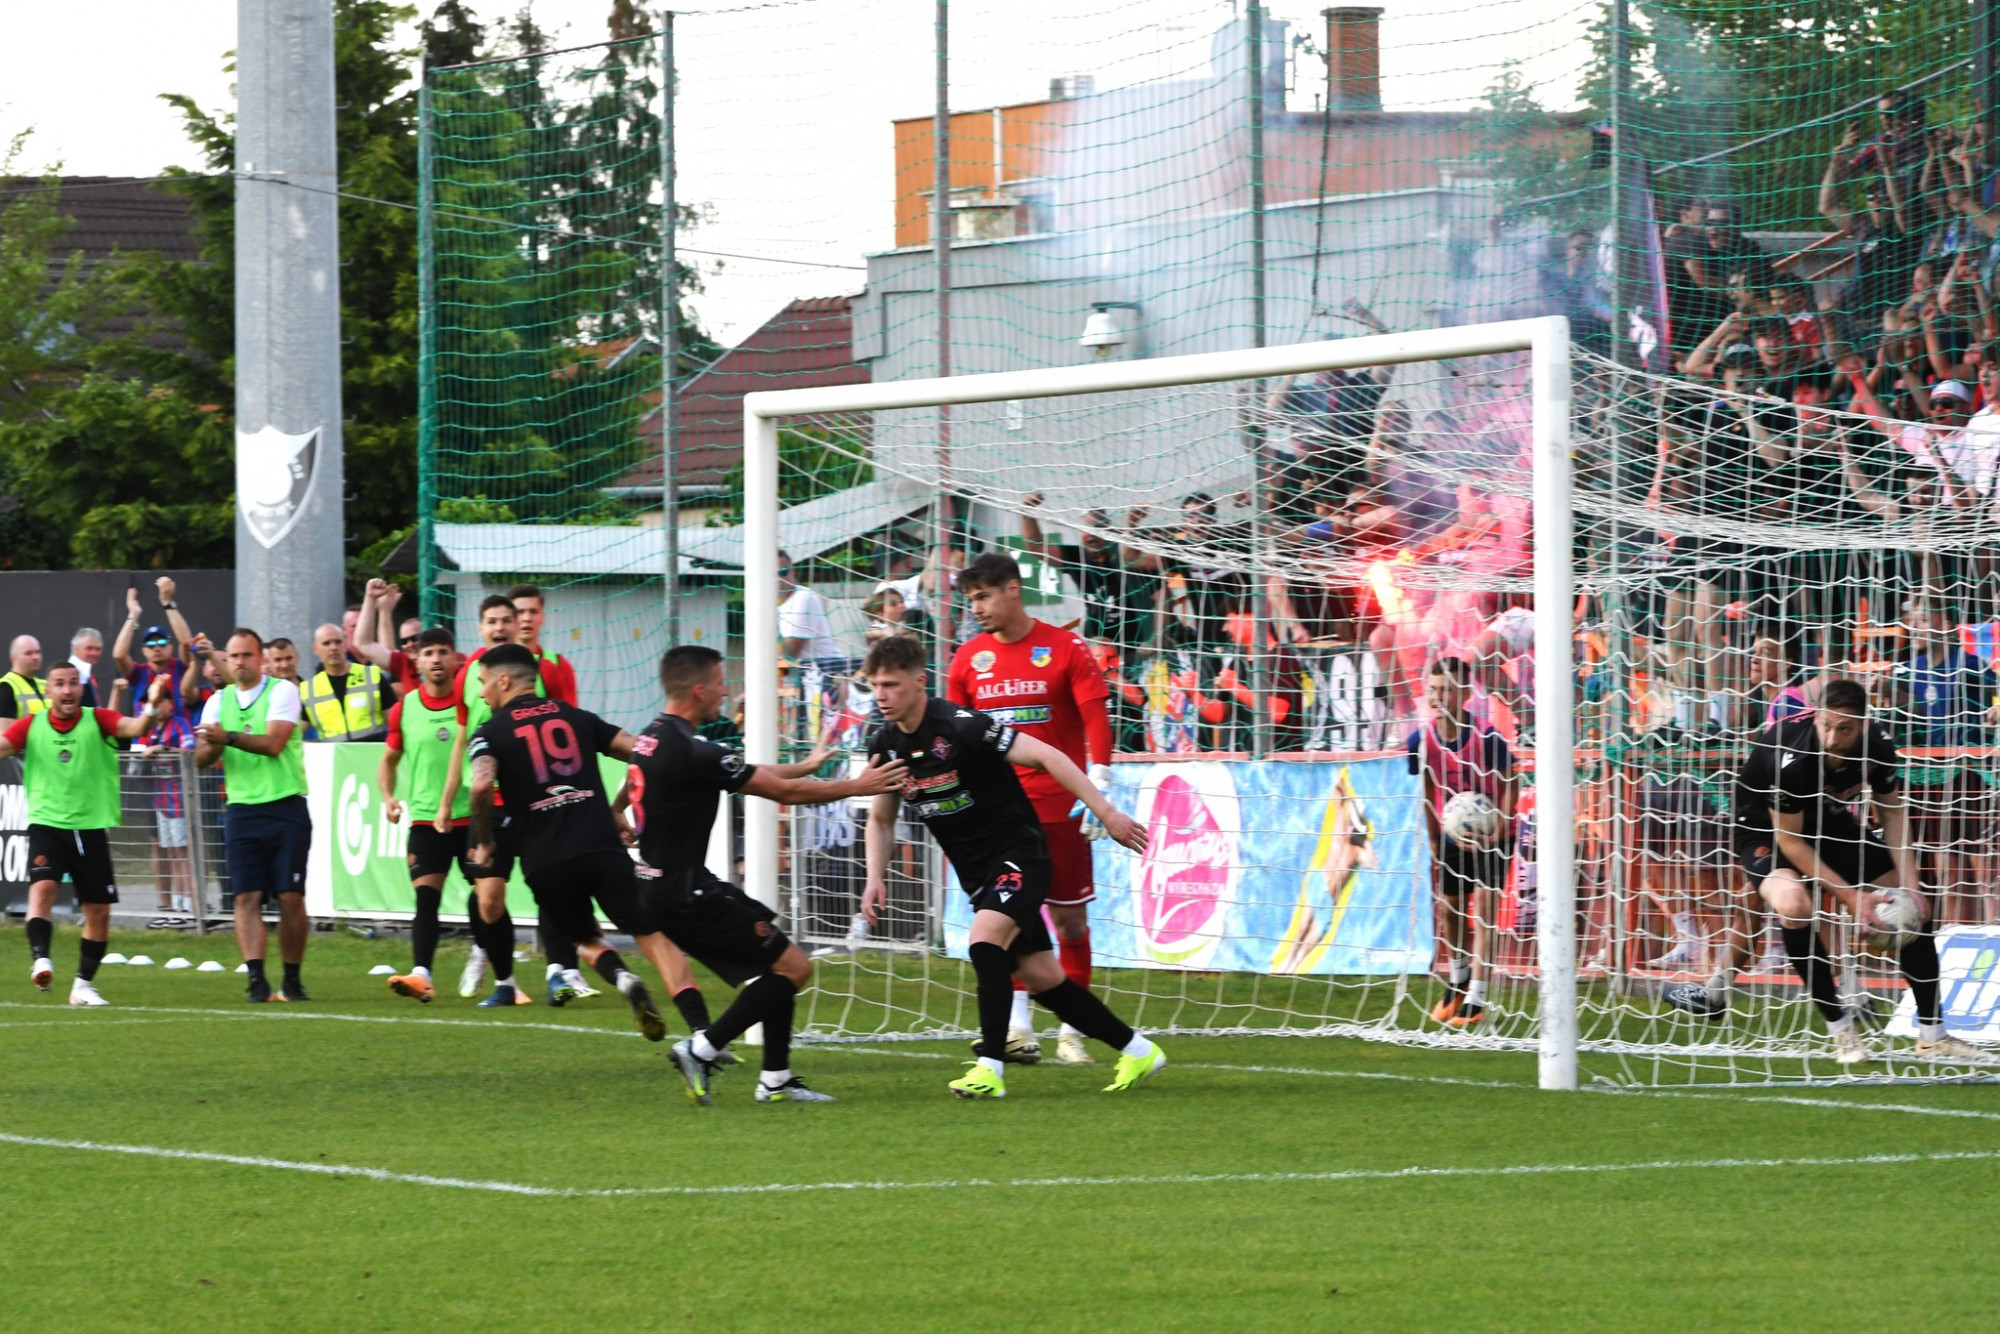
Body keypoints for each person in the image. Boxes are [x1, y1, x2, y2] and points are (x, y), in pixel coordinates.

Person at [859, 634, 1166, 1100]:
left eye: (891, 684)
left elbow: (1047, 755)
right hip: (977, 872)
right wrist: (874, 876)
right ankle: (1138, 1049)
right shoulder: (883, 743)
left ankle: (989, 1068)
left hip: (1019, 852)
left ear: (919, 682)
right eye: (875, 685)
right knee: (1044, 978)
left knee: (984, 943)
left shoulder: (960, 725)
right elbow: (881, 818)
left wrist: (1106, 812)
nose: (881, 695)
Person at [627, 645, 906, 1104]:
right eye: (719, 683)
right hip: (685, 892)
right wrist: (859, 785)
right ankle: (701, 1048)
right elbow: (781, 793)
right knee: (795, 966)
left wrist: (808, 766)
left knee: (775, 962)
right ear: (699, 690)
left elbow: (751, 774)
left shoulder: (652, 738)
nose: (725, 691)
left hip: (663, 886)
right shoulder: (694, 748)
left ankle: (775, 1079)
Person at [1721, 678, 1985, 1063]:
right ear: (1817, 716)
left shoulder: (1876, 746)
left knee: (1914, 893)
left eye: (1843, 728)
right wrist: (1851, 897)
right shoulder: (1791, 758)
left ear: (1862, 723)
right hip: (1767, 830)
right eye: (1825, 725)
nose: (1831, 737)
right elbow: (1791, 842)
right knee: (1794, 905)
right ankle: (1841, 1031)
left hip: (1827, 822)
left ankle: (1933, 1035)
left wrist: (1910, 888)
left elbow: (1893, 813)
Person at [947, 551, 1116, 1065]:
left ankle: (1072, 1029)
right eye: (970, 599)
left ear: (1013, 590)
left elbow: (1095, 719)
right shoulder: (967, 660)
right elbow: (956, 740)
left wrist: (1100, 787)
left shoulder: (1064, 646)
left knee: (1068, 924)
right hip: (1000, 815)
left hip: (1059, 808)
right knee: (1007, 921)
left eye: (983, 596)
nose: (976, 608)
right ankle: (1018, 1030)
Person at [464, 644, 669, 1031]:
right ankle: (698, 1021)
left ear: (503, 680)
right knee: (646, 929)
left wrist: (487, 839)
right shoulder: (576, 716)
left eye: (482, 682)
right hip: (601, 847)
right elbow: (642, 752)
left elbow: (480, 786)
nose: (480, 692)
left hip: (546, 859)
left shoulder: (489, 732)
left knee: (584, 937)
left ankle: (624, 979)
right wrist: (620, 804)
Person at [0, 665, 171, 1004]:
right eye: (59, 684)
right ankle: (41, 960)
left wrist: (151, 705)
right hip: (48, 823)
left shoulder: (100, 719)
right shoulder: (31, 725)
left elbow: (136, 727)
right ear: (48, 691)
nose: (66, 690)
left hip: (90, 827)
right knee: (44, 887)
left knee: (99, 912)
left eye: (72, 684)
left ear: (81, 689)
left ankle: (82, 986)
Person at [439, 594, 579, 1000]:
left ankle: (560, 972)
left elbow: (565, 730)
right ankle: (500, 972)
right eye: (491, 621)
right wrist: (449, 800)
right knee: (488, 899)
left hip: (534, 798)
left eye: (507, 619)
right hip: (488, 802)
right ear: (480, 627)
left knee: (552, 885)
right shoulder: (468, 674)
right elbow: (461, 739)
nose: (499, 627)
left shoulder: (545, 669)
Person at [380, 628, 524, 1007]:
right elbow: (388, 761)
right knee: (426, 898)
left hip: (472, 814)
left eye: (443, 651)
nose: (436, 659)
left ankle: (494, 966)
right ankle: (421, 975)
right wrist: (388, 796)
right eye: (428, 652)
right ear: (418, 661)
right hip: (427, 818)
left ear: (456, 658)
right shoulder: (406, 707)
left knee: (486, 898)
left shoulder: (472, 698)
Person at [192, 629, 313, 1003]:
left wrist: (225, 738)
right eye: (234, 656)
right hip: (242, 810)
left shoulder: (282, 691)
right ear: (225, 661)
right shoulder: (217, 701)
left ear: (261, 659)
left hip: (285, 805)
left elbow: (274, 744)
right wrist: (211, 746)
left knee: (290, 896)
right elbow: (199, 759)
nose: (240, 662)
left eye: (247, 655)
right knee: (246, 897)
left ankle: (292, 978)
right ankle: (256, 979)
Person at [1409, 656, 1516, 1030]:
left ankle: (1479, 998)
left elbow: (1511, 779)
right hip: (1454, 830)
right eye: (1435, 690)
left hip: (1492, 832)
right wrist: (1434, 837)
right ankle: (1458, 977)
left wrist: (1499, 828)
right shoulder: (1420, 740)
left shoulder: (1486, 737)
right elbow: (1425, 786)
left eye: (1449, 690)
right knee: (1451, 907)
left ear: (1466, 694)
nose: (1440, 697)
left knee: (1485, 907)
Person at [301, 621, 398, 742]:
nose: (333, 647)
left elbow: (396, 724)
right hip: (335, 759)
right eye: (326, 643)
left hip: (372, 756)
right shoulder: (307, 689)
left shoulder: (373, 676)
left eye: (338, 642)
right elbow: (296, 735)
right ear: (316, 649)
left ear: (346, 645)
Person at [111, 578, 194, 693]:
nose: (157, 648)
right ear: (144, 651)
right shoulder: (139, 673)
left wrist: (167, 603)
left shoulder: (179, 668)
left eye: (162, 643)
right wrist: (133, 614)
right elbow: (118, 655)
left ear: (171, 647)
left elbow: (186, 643)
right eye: (150, 644)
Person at [508, 583, 578, 705]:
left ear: (542, 616)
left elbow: (571, 716)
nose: (527, 618)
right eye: (520, 612)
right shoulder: (490, 666)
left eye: (533, 611)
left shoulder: (560, 665)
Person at [352, 578, 423, 697]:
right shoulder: (405, 665)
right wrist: (370, 597)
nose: (410, 644)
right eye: (404, 641)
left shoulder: (450, 662)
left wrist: (385, 611)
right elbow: (363, 643)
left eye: (415, 638)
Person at [0, 635, 48, 719]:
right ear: (13, 659)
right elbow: (4, 730)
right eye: (28, 653)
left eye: (38, 652)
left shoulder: (46, 685)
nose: (35, 657)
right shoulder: (6, 687)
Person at [66, 628, 104, 708]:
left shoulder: (87, 673)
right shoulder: (70, 673)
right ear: (76, 649)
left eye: (98, 649)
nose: (94, 653)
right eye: (89, 648)